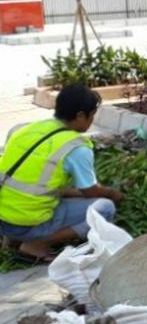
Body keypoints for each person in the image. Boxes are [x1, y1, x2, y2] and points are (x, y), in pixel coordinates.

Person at [0, 84, 124, 264]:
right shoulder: (76, 147)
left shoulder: (25, 130)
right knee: (105, 208)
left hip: (3, 218)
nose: (91, 122)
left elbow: (34, 185)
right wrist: (114, 194)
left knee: (27, 198)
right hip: (25, 222)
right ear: (81, 115)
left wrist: (75, 193)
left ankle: (11, 242)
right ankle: (36, 244)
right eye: (91, 116)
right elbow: (91, 192)